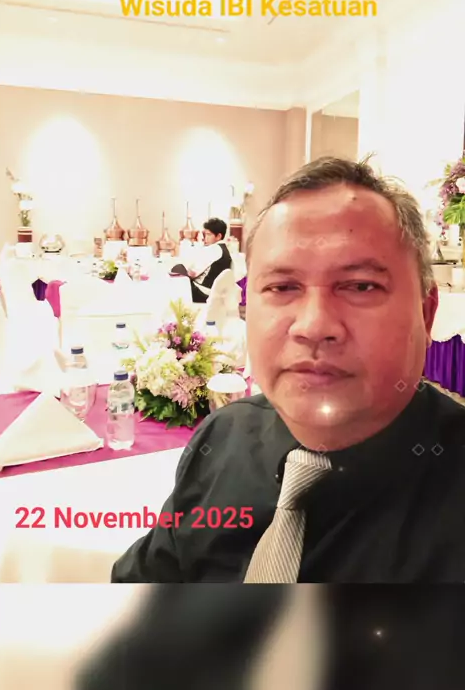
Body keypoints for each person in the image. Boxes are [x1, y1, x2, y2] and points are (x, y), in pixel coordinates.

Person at [112, 156, 465, 583]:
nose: (313, 326)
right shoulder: (223, 438)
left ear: (426, 314)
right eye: (282, 287)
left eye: (361, 286)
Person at [171, 216, 232, 303]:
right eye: (205, 234)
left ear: (218, 236)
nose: (205, 238)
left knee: (178, 268)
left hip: (203, 293)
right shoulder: (224, 249)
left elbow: (193, 273)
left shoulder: (215, 249)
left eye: (208, 234)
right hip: (211, 292)